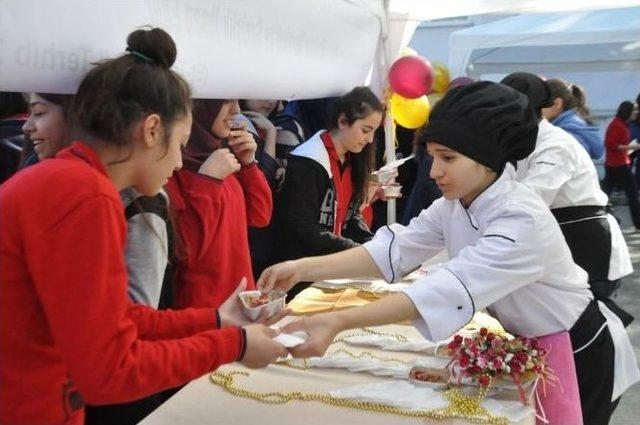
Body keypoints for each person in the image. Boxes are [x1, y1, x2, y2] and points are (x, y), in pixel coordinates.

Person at [259, 82, 639, 425]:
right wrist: (301, 267)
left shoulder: (521, 216)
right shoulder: (456, 203)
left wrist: (338, 321)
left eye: (448, 158)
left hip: (575, 345)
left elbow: (447, 287)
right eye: (433, 157)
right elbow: (393, 250)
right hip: (530, 339)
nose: (435, 171)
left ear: (488, 159)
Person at [0, 27, 286, 425]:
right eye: (180, 143)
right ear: (152, 130)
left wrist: (216, 321)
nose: (177, 161)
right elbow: (110, 371)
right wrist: (233, 344)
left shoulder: (75, 183)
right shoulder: (85, 195)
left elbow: (119, 316)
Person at [501, 73, 633, 314]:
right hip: (561, 238)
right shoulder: (520, 143)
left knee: (588, 319)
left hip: (587, 238)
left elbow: (531, 200)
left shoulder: (556, 144)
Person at [274, 86, 382, 297]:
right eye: (366, 130)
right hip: (301, 274)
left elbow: (351, 215)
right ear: (342, 121)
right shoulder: (307, 161)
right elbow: (302, 228)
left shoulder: (353, 158)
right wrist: (356, 251)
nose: (370, 139)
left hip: (331, 268)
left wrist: (373, 244)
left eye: (373, 132)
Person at [166, 99, 272, 308]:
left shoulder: (223, 157)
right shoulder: (171, 171)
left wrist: (249, 163)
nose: (237, 110)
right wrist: (207, 182)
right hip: (203, 315)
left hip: (240, 303)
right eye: (225, 101)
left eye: (237, 100)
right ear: (200, 105)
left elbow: (260, 215)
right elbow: (185, 251)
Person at [542, 79, 603, 160]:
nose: (536, 109)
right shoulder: (573, 127)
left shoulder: (566, 136)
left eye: (541, 103)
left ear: (557, 103)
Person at [602, 101, 640, 229]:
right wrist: (632, 146)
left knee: (605, 193)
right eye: (634, 110)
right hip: (618, 164)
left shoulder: (621, 124)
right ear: (627, 111)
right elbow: (611, 144)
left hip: (615, 163)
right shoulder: (617, 124)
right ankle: (638, 223)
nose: (636, 112)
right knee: (632, 194)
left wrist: (629, 148)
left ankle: (602, 215)